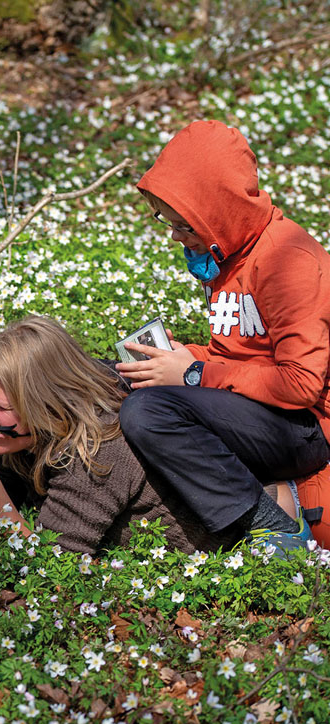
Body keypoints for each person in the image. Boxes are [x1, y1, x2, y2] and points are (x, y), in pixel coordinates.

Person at [115, 120, 330, 551]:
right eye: (167, 221)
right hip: (254, 410)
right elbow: (236, 353)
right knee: (114, 376)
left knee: (148, 413)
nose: (175, 235)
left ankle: (273, 527)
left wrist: (193, 374)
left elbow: (300, 384)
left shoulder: (290, 260)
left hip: (306, 428)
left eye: (185, 225)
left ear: (219, 212)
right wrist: (180, 356)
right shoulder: (225, 252)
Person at [0, 315, 229, 555]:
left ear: (45, 404)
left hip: (240, 547)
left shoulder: (97, 450)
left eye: (0, 405)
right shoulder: (31, 433)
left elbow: (47, 567)